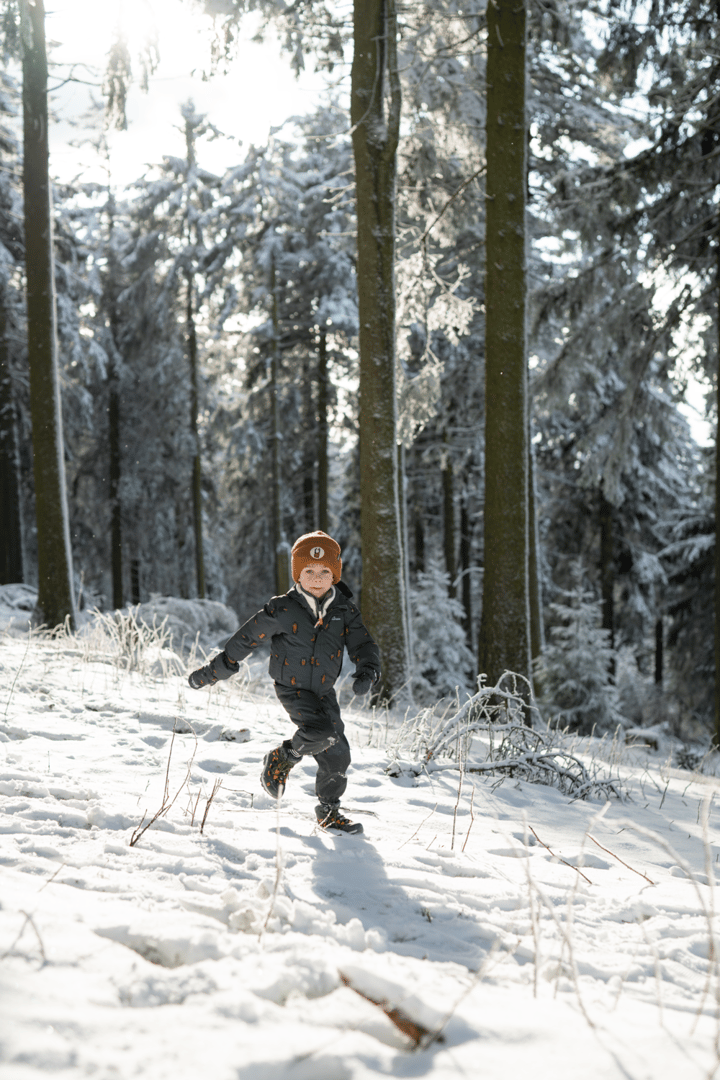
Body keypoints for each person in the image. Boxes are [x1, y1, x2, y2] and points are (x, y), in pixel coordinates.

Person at [187, 531, 380, 834]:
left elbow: (363, 644)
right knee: (320, 732)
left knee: (338, 754)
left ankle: (329, 812)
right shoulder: (283, 608)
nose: (317, 578)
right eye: (309, 572)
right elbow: (245, 640)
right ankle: (281, 758)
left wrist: (367, 670)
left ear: (335, 574)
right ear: (298, 574)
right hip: (292, 687)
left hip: (323, 691)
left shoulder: (344, 610)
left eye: (325, 572)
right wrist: (214, 671)